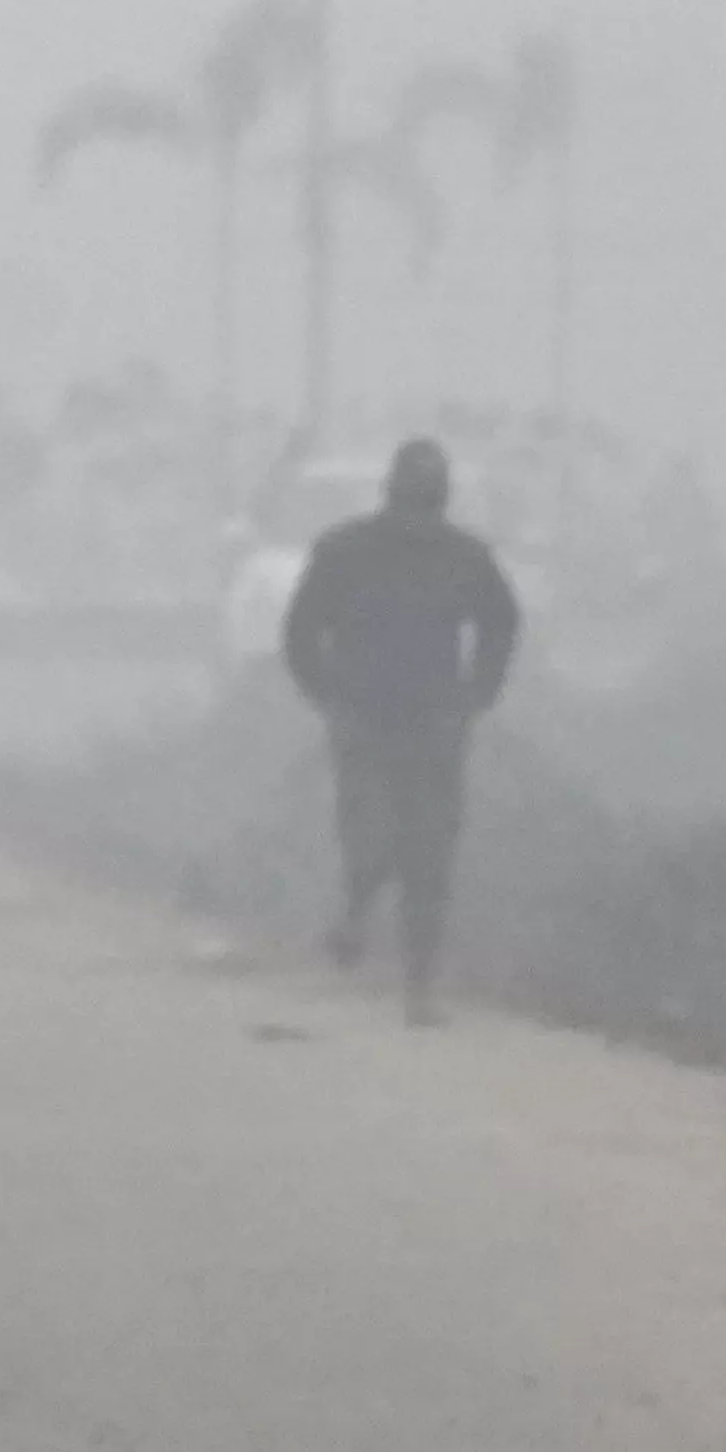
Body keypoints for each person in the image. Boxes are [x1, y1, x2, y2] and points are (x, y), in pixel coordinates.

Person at [279, 437, 523, 1022]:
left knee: (411, 848)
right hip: (389, 721)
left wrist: (475, 694)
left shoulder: (440, 555)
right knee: (401, 845)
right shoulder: (372, 552)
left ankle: (398, 963)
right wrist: (329, 695)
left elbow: (500, 624)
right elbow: (300, 633)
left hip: (410, 722)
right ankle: (384, 946)